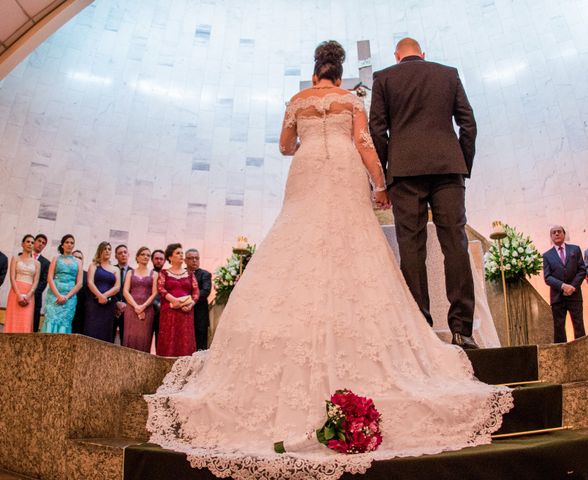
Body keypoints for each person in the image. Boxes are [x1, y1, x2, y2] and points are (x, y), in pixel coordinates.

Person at [145, 40, 512, 480]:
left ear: (315, 70)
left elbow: (286, 145)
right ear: (339, 73)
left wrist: (319, 142)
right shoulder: (357, 97)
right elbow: (366, 140)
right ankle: (450, 329)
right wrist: (380, 181)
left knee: (298, 238)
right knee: (377, 243)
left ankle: (321, 326)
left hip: (310, 171)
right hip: (359, 167)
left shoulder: (301, 100)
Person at [369, 37, 478, 349]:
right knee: (455, 244)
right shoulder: (448, 74)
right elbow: (468, 125)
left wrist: (386, 175)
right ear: (423, 54)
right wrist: (462, 165)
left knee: (412, 248)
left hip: (404, 173)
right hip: (448, 169)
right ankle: (462, 330)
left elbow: (377, 130)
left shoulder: (384, 78)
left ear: (397, 56)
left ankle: (421, 330)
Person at [543, 226, 587, 343]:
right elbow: (547, 277)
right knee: (559, 328)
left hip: (575, 295)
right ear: (551, 237)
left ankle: (582, 351)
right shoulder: (547, 255)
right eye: (554, 232)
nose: (557, 234)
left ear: (564, 234)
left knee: (579, 326)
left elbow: (582, 270)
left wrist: (572, 286)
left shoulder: (575, 249)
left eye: (559, 232)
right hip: (558, 297)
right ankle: (562, 355)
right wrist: (563, 286)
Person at [156, 243, 199, 356]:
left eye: (182, 253)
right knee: (169, 338)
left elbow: (196, 292)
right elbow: (160, 288)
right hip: (169, 311)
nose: (181, 255)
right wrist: (173, 300)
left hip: (186, 311)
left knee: (185, 339)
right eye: (178, 253)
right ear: (170, 257)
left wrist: (191, 305)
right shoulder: (164, 273)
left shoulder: (190, 274)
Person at [42, 235, 83, 334]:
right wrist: (58, 295)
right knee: (51, 320)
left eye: (72, 243)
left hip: (70, 298)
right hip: (54, 296)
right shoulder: (56, 258)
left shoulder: (78, 261)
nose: (69, 244)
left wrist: (66, 297)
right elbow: (50, 278)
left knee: (64, 323)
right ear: (62, 245)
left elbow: (80, 283)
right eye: (67, 242)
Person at [122, 247, 158, 352]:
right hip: (131, 309)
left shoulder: (154, 274)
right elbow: (125, 291)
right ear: (137, 257)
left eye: (148, 255)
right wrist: (136, 306)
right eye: (143, 254)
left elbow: (155, 293)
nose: (146, 257)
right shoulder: (130, 272)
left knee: (144, 338)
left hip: (147, 309)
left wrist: (143, 306)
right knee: (130, 336)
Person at [84, 242, 120, 342]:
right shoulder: (94, 265)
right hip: (94, 303)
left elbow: (117, 287)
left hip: (108, 304)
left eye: (109, 249)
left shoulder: (115, 269)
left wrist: (104, 296)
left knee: (105, 331)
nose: (107, 251)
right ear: (100, 250)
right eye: (105, 249)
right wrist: (99, 296)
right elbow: (90, 283)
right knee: (92, 329)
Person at [4, 235, 40, 333]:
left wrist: (28, 295)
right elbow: (12, 277)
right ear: (22, 244)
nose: (30, 244)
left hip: (29, 293)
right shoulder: (15, 258)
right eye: (28, 241)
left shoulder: (37, 263)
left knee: (26, 321)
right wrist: (19, 294)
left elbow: (36, 281)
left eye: (32, 242)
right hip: (15, 291)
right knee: (13, 319)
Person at [185, 248, 212, 350]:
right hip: (183, 312)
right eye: (191, 258)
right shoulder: (180, 273)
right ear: (185, 260)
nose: (194, 260)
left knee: (200, 343)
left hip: (200, 314)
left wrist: (187, 300)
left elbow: (205, 291)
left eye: (196, 258)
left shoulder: (205, 274)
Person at [32, 233, 50, 332]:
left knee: (32, 326)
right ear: (34, 241)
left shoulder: (46, 263)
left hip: (35, 298)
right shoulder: (22, 256)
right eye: (39, 241)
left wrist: (31, 293)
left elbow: (43, 282)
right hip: (20, 294)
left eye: (43, 243)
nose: (41, 244)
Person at [113, 244, 131, 344]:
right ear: (116, 256)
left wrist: (125, 304)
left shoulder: (133, 272)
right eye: (120, 253)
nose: (123, 255)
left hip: (128, 310)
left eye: (125, 252)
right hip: (112, 309)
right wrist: (116, 303)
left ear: (128, 254)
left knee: (126, 341)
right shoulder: (110, 270)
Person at [71, 250, 88, 334]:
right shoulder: (66, 273)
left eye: (80, 258)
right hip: (66, 308)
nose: (78, 259)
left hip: (81, 313)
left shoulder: (87, 275)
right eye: (75, 257)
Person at [151, 249, 165, 347]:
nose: (158, 261)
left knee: (160, 341)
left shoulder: (167, 275)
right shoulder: (148, 274)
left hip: (163, 313)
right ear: (152, 260)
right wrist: (155, 304)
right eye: (156, 258)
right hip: (149, 310)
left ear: (164, 261)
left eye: (161, 259)